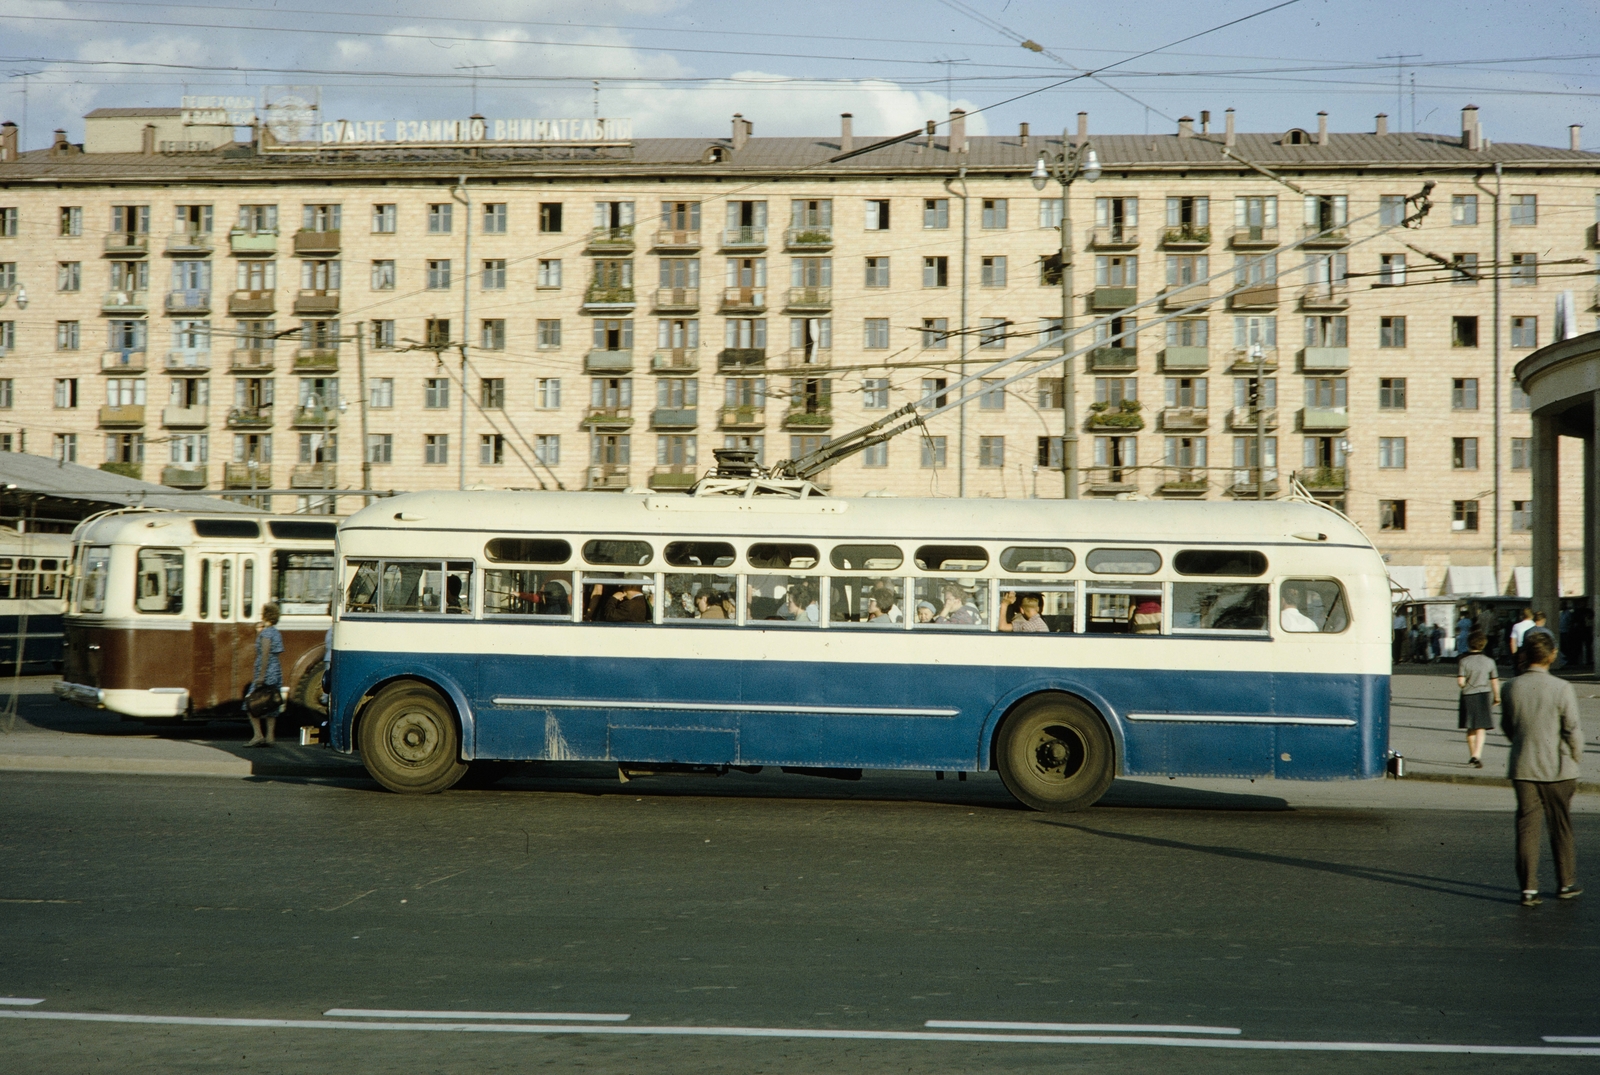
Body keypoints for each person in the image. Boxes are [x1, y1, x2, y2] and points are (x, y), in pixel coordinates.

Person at [1500, 631, 1583, 907]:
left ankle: (1528, 889)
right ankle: (1566, 883)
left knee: (1527, 828)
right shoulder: (1562, 687)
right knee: (1561, 827)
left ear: (1525, 655)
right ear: (1552, 656)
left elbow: (1508, 727)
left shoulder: (1510, 686)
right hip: (1559, 767)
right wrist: (1576, 757)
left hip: (1524, 765)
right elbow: (1571, 728)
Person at [1457, 630, 1499, 769]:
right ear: (1484, 644)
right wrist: (1497, 696)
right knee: (1481, 727)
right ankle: (1477, 754)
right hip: (1484, 694)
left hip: (1468, 695)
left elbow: (1460, 682)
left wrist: (1467, 683)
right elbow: (1494, 680)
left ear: (1469, 644)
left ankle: (1472, 755)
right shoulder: (1489, 662)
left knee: (1470, 728)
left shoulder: (1464, 661)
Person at [245, 603, 284, 748]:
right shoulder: (275, 632)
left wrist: (261, 676)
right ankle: (270, 737)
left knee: (250, 703)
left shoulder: (266, 634)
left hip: (266, 671)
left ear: (265, 615)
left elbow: (265, 655)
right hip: (276, 670)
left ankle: (257, 735)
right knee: (271, 703)